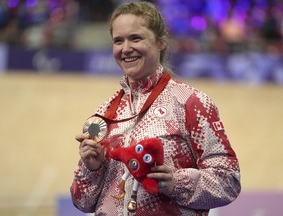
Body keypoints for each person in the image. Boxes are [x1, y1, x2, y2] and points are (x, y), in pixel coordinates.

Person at [70, 1, 241, 215]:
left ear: (161, 42)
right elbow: (82, 202)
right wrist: (92, 168)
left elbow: (229, 181)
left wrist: (175, 182)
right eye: (118, 41)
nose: (126, 48)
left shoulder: (190, 103)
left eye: (136, 38)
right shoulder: (104, 115)